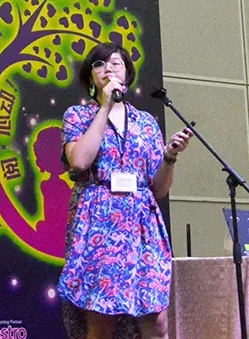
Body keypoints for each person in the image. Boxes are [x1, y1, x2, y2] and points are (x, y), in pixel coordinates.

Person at [58, 43, 193, 339]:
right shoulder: (77, 116)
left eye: (115, 63)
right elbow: (79, 161)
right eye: (99, 64)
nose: (108, 68)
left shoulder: (146, 123)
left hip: (143, 226)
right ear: (90, 78)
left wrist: (169, 156)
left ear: (127, 75)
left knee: (156, 320)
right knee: (102, 321)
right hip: (99, 223)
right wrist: (105, 107)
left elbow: (158, 189)